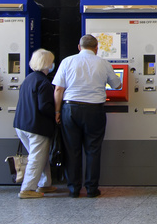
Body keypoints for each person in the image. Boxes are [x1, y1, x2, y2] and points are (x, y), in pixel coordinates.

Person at [52, 35, 121, 198]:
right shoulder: (103, 63)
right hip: (94, 110)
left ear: (79, 47)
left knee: (72, 150)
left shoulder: (67, 61)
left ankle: (74, 189)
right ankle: (91, 189)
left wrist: (57, 111)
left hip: (70, 108)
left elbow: (58, 90)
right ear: (97, 48)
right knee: (93, 150)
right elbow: (117, 85)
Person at [13, 48, 57, 199]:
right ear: (47, 63)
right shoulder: (44, 83)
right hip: (36, 126)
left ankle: (45, 184)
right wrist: (56, 114)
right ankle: (27, 189)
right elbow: (44, 106)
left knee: (40, 156)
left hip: (21, 124)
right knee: (37, 157)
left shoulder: (29, 78)